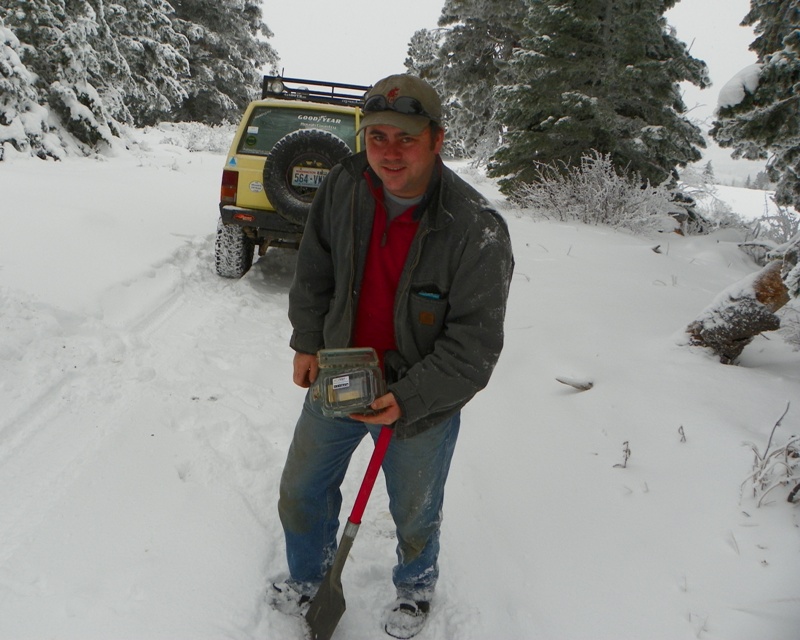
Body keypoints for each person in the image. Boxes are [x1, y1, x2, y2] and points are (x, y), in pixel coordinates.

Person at [273, 73, 514, 639]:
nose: (389, 152)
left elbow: (474, 347)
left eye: (405, 138)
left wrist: (406, 399)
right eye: (377, 136)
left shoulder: (476, 229)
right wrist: (307, 340)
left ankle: (415, 587)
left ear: (437, 139)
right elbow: (315, 270)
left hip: (420, 396)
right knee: (301, 488)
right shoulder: (344, 184)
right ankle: (308, 575)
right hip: (341, 374)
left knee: (415, 509)